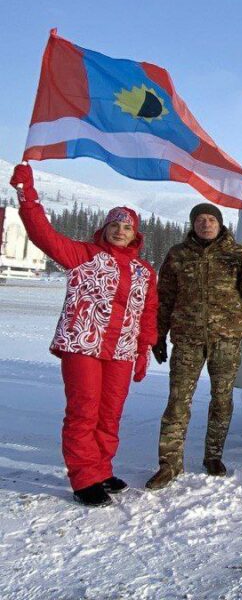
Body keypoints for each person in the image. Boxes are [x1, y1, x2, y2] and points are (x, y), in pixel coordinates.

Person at [9, 163, 158, 507]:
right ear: (104, 228)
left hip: (121, 350)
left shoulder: (144, 271)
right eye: (115, 225)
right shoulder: (82, 255)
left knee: (110, 414)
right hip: (83, 345)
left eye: (126, 227)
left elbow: (147, 313)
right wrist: (27, 195)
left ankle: (102, 469)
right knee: (84, 411)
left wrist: (142, 350)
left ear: (135, 234)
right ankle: (83, 477)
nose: (120, 231)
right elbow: (42, 234)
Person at [145, 203, 242, 489]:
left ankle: (213, 456)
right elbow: (164, 298)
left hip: (226, 339)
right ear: (193, 224)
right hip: (187, 340)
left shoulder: (237, 254)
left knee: (221, 401)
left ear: (220, 223)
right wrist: (158, 336)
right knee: (177, 402)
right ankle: (169, 464)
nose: (205, 224)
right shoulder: (178, 255)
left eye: (211, 219)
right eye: (200, 220)